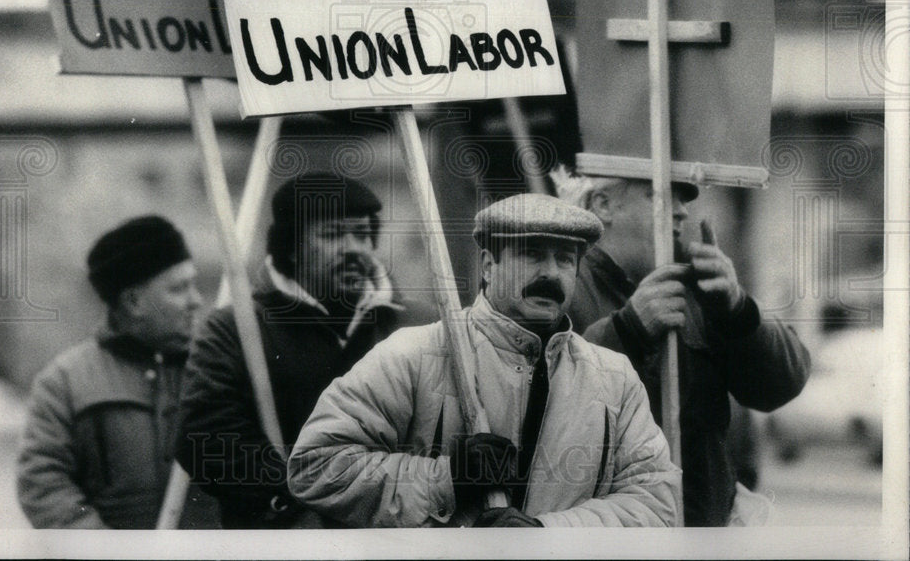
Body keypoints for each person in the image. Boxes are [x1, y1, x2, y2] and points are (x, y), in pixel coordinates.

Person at [287, 193, 680, 528]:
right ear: (489, 266)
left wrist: (545, 532)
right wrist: (446, 479)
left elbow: (656, 502)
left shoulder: (614, 378)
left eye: (564, 259)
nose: (550, 273)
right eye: (531, 254)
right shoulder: (415, 355)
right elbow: (316, 467)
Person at [556, 174, 811, 526]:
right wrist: (626, 333)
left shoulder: (696, 292)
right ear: (602, 204)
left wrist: (738, 312)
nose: (681, 213)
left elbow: (782, 384)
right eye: (660, 196)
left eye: (684, 200)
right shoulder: (561, 286)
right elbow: (544, 408)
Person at [174, 172, 403, 528]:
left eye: (362, 234)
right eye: (333, 235)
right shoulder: (236, 329)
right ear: (292, 248)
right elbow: (205, 441)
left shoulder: (408, 327)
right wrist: (297, 491)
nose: (355, 248)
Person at [16, 215, 217, 528]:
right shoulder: (64, 382)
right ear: (134, 302)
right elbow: (43, 483)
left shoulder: (218, 370)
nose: (197, 300)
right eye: (179, 289)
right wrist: (104, 549)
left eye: (194, 284)